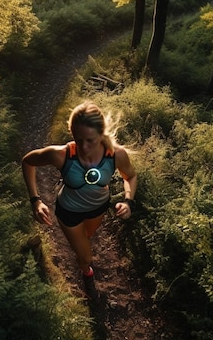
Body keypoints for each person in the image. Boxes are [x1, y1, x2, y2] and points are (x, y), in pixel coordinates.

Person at [21, 101, 137, 294]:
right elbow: (27, 162)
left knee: (87, 237)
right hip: (69, 212)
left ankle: (81, 249)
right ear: (71, 131)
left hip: (98, 208)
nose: (83, 146)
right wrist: (35, 200)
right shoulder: (60, 155)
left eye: (90, 140)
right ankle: (86, 272)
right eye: (78, 138)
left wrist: (128, 200)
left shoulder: (116, 154)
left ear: (101, 133)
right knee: (85, 257)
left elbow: (130, 176)